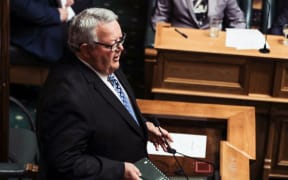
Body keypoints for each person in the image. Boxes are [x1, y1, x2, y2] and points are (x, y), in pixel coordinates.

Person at [36, 7, 173, 180]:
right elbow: (64, 162)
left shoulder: (105, 62)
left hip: (137, 164)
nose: (121, 48)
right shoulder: (65, 96)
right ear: (86, 50)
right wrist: (119, 170)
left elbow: (113, 109)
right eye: (113, 44)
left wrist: (141, 125)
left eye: (121, 39)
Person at [10, 0, 89, 62]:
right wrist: (56, 14)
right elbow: (19, 4)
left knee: (91, 27)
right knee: (79, 37)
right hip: (28, 26)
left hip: (56, 10)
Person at [151, 0, 246, 30]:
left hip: (213, 44)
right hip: (180, 43)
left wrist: (235, 43)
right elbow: (160, 18)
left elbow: (237, 20)